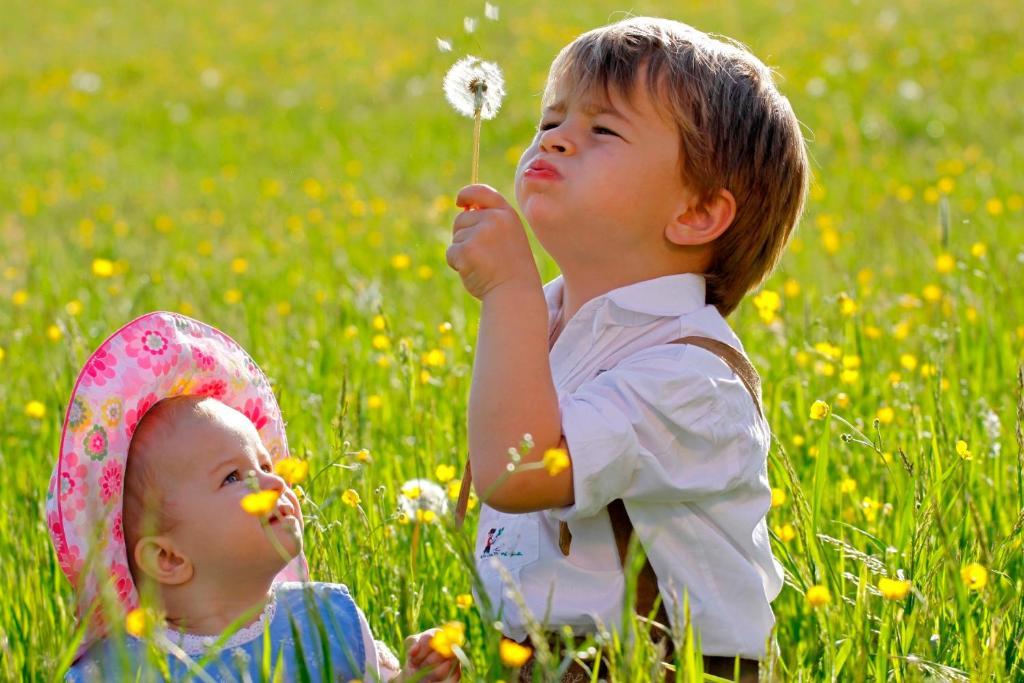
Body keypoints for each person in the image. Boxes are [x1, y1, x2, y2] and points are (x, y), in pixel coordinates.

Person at [445, 16, 808, 680]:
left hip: (670, 667)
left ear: (696, 213)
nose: (554, 138)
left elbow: (520, 471)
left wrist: (508, 295)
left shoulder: (691, 375)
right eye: (549, 120)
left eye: (602, 129)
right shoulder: (552, 319)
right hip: (544, 658)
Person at [47, 312, 457, 682]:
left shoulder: (327, 621)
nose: (275, 483)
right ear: (167, 558)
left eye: (266, 466)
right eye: (232, 478)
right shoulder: (121, 670)